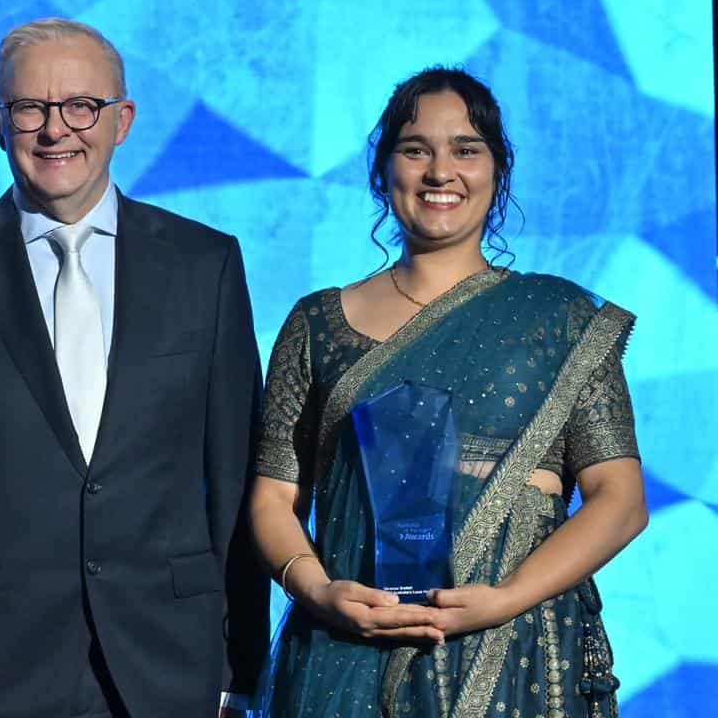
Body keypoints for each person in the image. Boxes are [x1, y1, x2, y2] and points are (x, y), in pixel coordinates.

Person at [0, 17, 268, 718]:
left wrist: (243, 666)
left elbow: (234, 480)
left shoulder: (206, 263)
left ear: (122, 120)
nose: (57, 130)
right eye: (31, 108)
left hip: (171, 665)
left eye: (82, 106)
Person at [248, 66, 648, 717]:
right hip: (344, 655)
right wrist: (319, 592)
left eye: (466, 149)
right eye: (415, 150)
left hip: (516, 651)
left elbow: (620, 501)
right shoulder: (318, 324)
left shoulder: (561, 318)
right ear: (382, 173)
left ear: (497, 170)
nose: (441, 171)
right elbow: (272, 498)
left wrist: (506, 597)